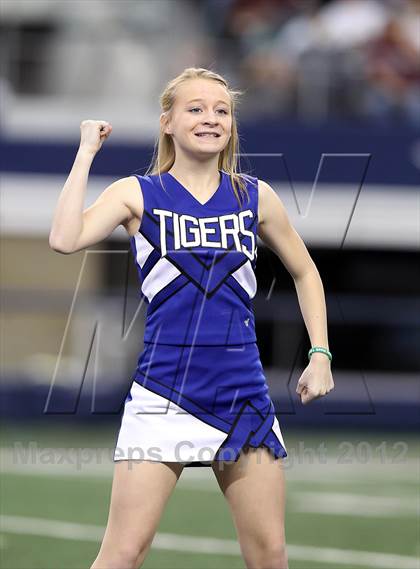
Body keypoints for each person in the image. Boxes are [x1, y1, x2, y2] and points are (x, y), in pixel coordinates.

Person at [49, 67, 334, 569]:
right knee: (123, 551)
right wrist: (86, 153)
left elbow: (307, 273)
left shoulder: (253, 195)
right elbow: (64, 239)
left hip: (242, 393)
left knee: (269, 555)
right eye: (196, 109)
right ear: (168, 123)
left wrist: (320, 355)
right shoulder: (137, 193)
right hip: (164, 392)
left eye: (221, 111)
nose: (211, 119)